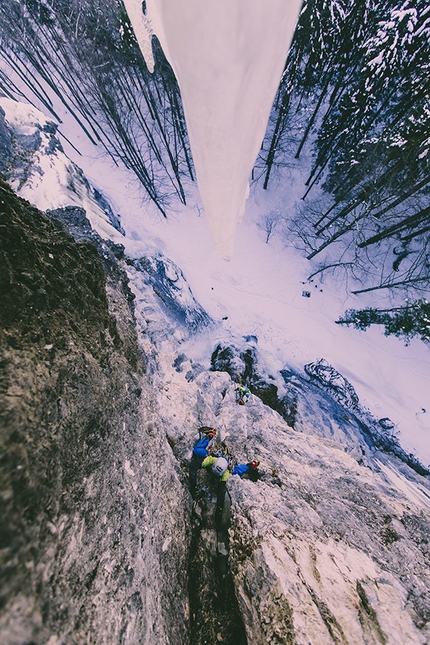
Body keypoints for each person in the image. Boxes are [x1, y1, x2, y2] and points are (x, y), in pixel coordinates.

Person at [189, 430, 260, 526]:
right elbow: (193, 468)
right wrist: (193, 487)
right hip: (217, 459)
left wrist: (218, 517)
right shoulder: (210, 459)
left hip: (222, 461)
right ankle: (209, 436)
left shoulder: (225, 471)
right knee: (197, 450)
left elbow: (220, 498)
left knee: (237, 470)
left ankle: (250, 466)